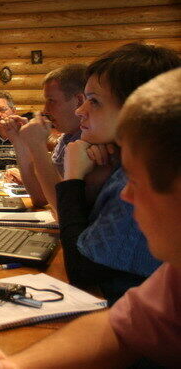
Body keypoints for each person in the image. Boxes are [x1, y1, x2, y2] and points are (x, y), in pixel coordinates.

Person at [0, 67, 181, 369]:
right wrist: (10, 365)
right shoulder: (173, 278)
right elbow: (120, 328)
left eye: (137, 182)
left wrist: (72, 180)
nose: (126, 195)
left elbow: (82, 266)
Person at [57, 43, 179, 302]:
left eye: (94, 101)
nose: (80, 110)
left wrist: (73, 178)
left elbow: (82, 269)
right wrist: (92, 184)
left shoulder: (148, 178)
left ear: (138, 110)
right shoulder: (121, 164)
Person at [0, 65, 86, 210]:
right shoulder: (66, 138)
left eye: (51, 100)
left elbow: (64, 209)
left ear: (78, 101)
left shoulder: (92, 142)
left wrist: (37, 145)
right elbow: (40, 198)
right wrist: (19, 142)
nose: (45, 110)